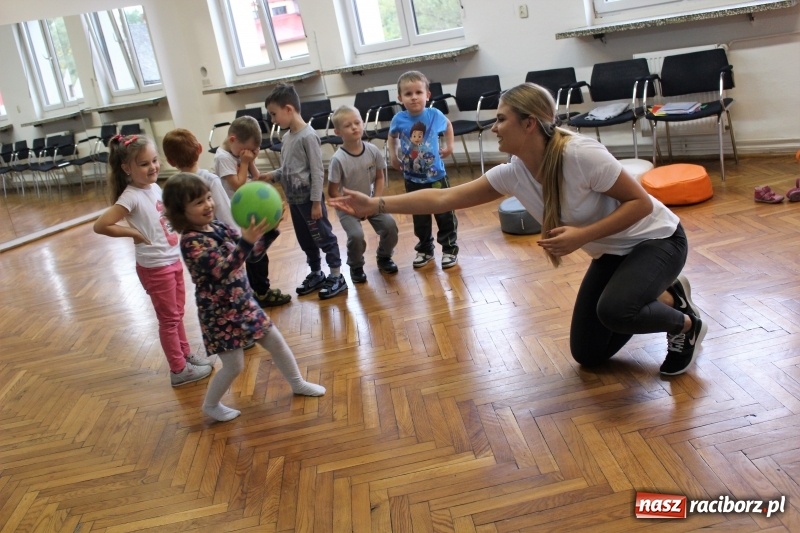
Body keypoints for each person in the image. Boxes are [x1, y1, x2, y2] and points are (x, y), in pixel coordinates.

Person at [329, 82, 708, 376]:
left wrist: (582, 236)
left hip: (658, 240)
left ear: (529, 124)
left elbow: (640, 203)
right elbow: (442, 199)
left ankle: (685, 323)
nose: (494, 127)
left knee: (614, 310)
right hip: (614, 252)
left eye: (502, 119)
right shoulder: (514, 173)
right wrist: (376, 205)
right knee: (588, 355)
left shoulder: (581, 155)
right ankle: (664, 293)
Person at [162, 172, 325, 422]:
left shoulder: (219, 226)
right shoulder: (191, 242)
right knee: (234, 365)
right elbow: (222, 269)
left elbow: (251, 255)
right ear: (180, 212)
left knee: (277, 342)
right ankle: (211, 405)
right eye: (198, 202)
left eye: (208, 197)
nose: (208, 204)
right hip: (219, 315)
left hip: (244, 304)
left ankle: (297, 383)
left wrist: (267, 232)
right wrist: (246, 242)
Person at [93, 134, 215, 387]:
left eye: (155, 161)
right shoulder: (131, 196)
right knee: (169, 319)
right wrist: (134, 233)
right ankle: (178, 369)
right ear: (127, 168)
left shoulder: (155, 188)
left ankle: (185, 355)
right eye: (145, 164)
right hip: (154, 267)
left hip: (171, 260)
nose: (153, 167)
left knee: (177, 314)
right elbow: (101, 225)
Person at [264, 83, 346, 299]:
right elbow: (289, 168)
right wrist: (273, 174)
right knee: (305, 239)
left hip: (310, 201)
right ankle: (316, 272)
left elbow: (317, 172)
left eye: (274, 114)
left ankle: (337, 275)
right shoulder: (287, 137)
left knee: (323, 236)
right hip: (294, 200)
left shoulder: (308, 136)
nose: (273, 120)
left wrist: (317, 202)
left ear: (289, 109)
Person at [214, 116, 291, 307]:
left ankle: (260, 290)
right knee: (253, 255)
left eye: (251, 151)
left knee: (259, 254)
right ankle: (260, 292)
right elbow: (238, 185)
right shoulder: (223, 157)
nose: (246, 154)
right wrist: (245, 162)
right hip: (236, 216)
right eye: (244, 149)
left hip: (250, 211)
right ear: (232, 140)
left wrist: (250, 160)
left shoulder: (238, 153)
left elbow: (256, 178)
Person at [388, 70, 458, 269]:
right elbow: (392, 137)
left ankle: (449, 249)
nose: (414, 97)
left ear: (427, 95)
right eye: (408, 94)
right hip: (412, 179)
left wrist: (450, 146)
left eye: (418, 92)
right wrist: (393, 155)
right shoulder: (399, 119)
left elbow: (449, 125)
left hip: (437, 177)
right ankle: (425, 249)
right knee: (420, 218)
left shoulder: (434, 115)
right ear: (400, 98)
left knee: (444, 214)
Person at [327, 105, 399, 283]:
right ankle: (356, 265)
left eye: (357, 122)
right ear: (338, 132)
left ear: (363, 124)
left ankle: (384, 257)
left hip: (370, 200)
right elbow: (332, 192)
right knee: (356, 236)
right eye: (347, 125)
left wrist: (375, 201)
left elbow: (380, 178)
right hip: (348, 207)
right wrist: (349, 207)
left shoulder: (373, 151)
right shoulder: (338, 159)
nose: (354, 127)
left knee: (390, 226)